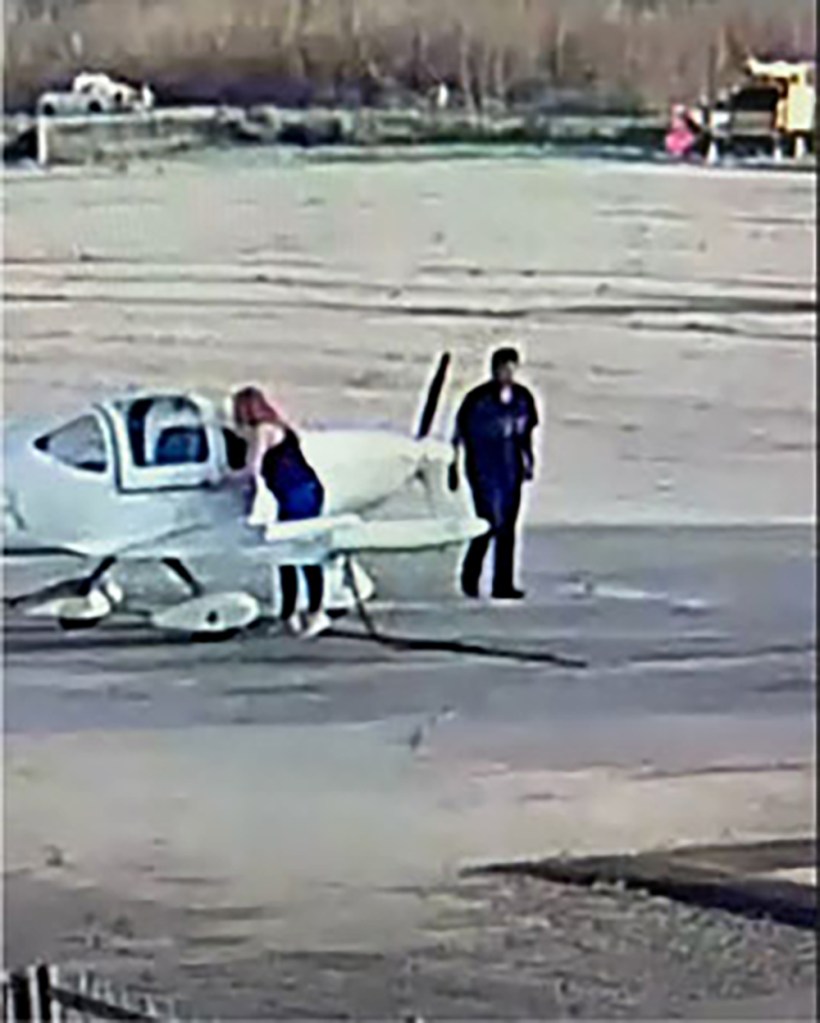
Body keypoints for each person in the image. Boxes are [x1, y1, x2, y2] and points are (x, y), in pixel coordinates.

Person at [232, 386, 330, 639]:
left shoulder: (262, 431)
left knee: (299, 552)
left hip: (296, 493)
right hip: (301, 490)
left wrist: (225, 480)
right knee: (291, 553)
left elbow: (252, 466)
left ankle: (312, 612)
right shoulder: (278, 427)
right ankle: (294, 613)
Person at [449, 347, 539, 600]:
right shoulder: (477, 399)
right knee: (487, 522)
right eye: (502, 368)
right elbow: (459, 434)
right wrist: (453, 467)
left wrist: (528, 460)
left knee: (508, 526)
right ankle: (470, 578)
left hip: (510, 468)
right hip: (483, 468)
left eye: (511, 368)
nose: (507, 373)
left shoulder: (522, 398)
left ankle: (503, 583)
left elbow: (525, 434)